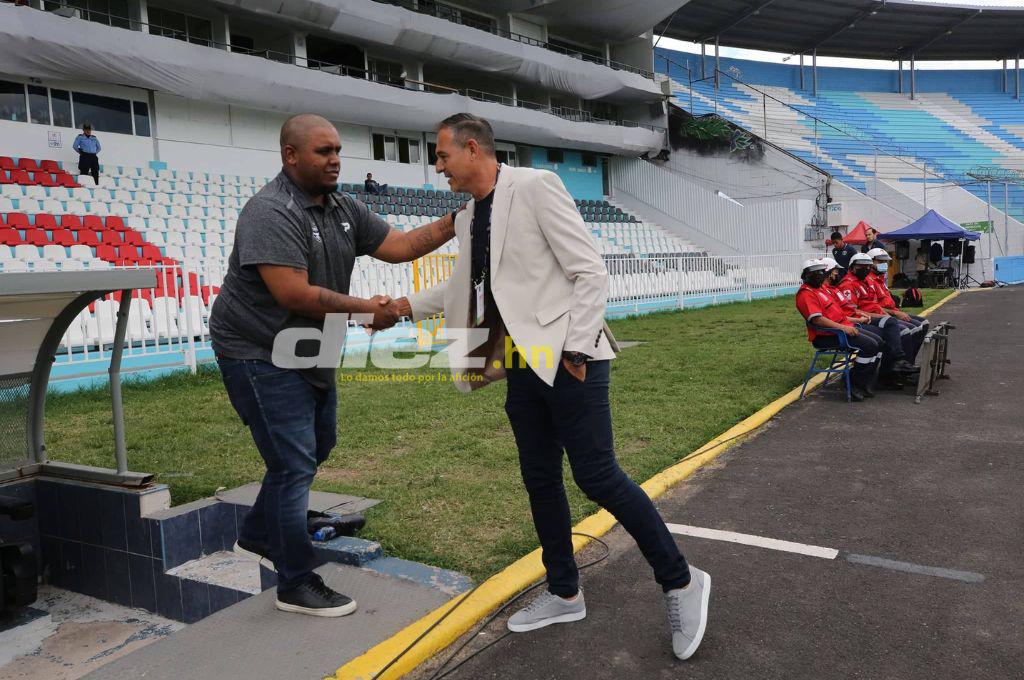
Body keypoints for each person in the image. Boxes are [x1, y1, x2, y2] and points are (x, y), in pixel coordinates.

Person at [391, 113, 711, 661]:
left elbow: (589, 270)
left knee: (598, 476)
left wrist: (577, 350)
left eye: (443, 156)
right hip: (520, 363)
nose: (438, 166)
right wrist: (400, 307)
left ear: (473, 149)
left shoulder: (536, 187)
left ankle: (681, 581)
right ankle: (565, 592)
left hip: (570, 358)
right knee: (540, 478)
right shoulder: (470, 216)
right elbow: (461, 286)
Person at [210, 113, 458, 617]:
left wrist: (462, 218)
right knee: (293, 463)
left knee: (317, 445)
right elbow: (293, 293)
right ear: (290, 155)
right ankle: (295, 582)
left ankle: (259, 533)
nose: (335, 159)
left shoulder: (342, 205)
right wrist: (373, 309)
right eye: (323, 151)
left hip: (309, 345)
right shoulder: (269, 211)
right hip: (256, 349)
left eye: (338, 150)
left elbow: (401, 247)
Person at [796, 259, 881, 401]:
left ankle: (863, 379)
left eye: (821, 271)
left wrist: (856, 320)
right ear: (805, 276)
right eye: (814, 272)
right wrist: (844, 328)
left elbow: (840, 314)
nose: (819, 275)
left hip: (842, 329)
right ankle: (854, 383)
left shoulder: (821, 290)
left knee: (878, 341)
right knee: (870, 345)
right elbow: (817, 320)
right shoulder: (806, 294)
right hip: (827, 335)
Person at [837, 254, 920, 379]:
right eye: (861, 266)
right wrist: (880, 316)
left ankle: (898, 369)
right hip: (863, 319)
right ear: (853, 267)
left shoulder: (864, 282)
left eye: (867, 266)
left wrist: (887, 314)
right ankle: (891, 370)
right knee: (900, 331)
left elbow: (875, 304)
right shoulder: (848, 285)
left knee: (908, 327)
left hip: (875, 315)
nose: (865, 269)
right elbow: (853, 311)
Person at [866, 248, 929, 335]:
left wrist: (897, 311)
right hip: (884, 315)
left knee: (924, 323)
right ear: (870, 262)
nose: (884, 264)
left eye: (885, 262)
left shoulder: (880, 279)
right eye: (880, 261)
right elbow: (872, 307)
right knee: (910, 330)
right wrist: (895, 313)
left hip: (893, 311)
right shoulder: (868, 281)